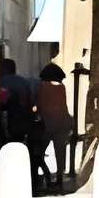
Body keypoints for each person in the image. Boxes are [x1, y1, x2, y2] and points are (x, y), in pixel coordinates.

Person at [35, 62, 77, 191]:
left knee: (38, 154)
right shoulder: (61, 87)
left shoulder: (43, 87)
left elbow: (40, 105)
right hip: (62, 124)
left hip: (47, 125)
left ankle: (46, 177)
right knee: (60, 154)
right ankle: (59, 181)